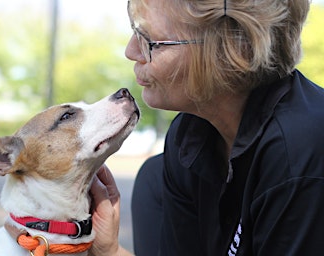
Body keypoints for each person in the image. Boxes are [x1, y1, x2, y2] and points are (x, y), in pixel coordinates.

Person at [89, 0, 324, 255]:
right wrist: (108, 250)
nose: (131, 51)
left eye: (149, 41)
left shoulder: (298, 155)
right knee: (152, 176)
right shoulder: (188, 138)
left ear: (230, 50)